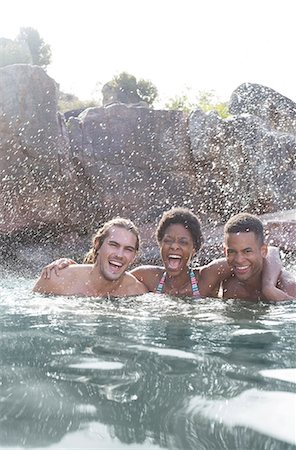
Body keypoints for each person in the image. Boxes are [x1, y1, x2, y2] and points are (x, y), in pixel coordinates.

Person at [39, 208, 288, 301]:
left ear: (194, 248)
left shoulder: (208, 276)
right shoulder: (146, 277)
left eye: (183, 242)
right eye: (168, 241)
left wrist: (268, 286)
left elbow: (270, 253)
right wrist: (68, 266)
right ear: (159, 245)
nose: (175, 247)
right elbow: (109, 276)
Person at [33, 218, 148, 297]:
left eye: (128, 249)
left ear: (134, 257)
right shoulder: (58, 279)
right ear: (97, 245)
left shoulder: (136, 292)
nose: (119, 255)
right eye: (113, 245)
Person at [221, 213, 296, 301]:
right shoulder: (228, 284)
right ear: (225, 252)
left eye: (247, 251)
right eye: (232, 251)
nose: (239, 260)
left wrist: (268, 288)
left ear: (263, 251)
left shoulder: (288, 288)